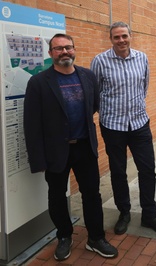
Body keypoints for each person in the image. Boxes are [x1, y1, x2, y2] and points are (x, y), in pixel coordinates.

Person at [24, 33, 118, 261]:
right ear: (50, 54)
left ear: (74, 50)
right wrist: (38, 160)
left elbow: (93, 105)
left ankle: (95, 238)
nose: (64, 52)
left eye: (68, 47)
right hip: (56, 150)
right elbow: (32, 124)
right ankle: (64, 236)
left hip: (84, 147)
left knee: (92, 195)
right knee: (56, 196)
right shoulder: (38, 82)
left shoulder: (87, 76)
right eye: (58, 49)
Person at [90, 22, 156, 236]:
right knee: (118, 171)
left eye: (124, 36)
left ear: (130, 36)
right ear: (111, 39)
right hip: (112, 125)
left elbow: (143, 87)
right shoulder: (100, 61)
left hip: (138, 123)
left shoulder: (142, 58)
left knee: (147, 169)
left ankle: (149, 214)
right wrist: (108, 112)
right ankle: (124, 212)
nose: (121, 40)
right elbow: (95, 92)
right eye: (116, 37)